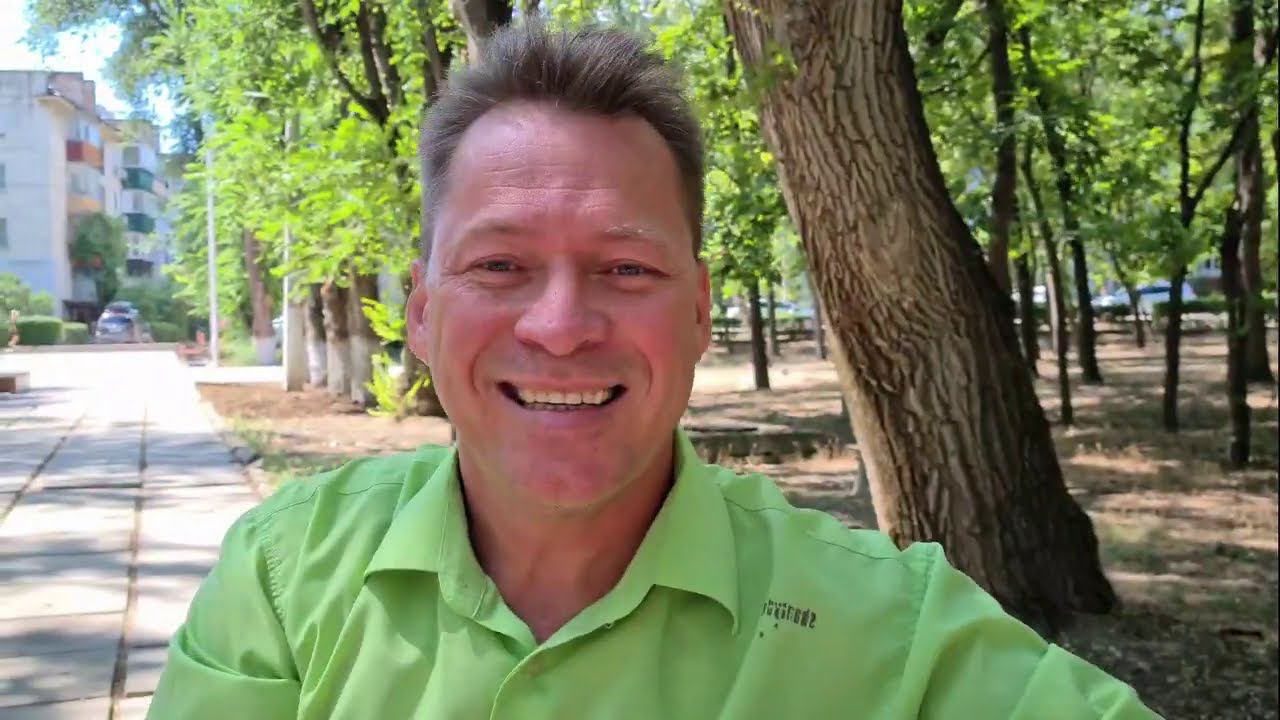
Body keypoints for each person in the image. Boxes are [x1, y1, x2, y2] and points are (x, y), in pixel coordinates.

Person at [148, 24, 1159, 720]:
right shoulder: (286, 580)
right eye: (498, 266)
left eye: (625, 270)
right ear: (420, 311)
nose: (559, 327)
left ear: (698, 312)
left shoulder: (887, 626)